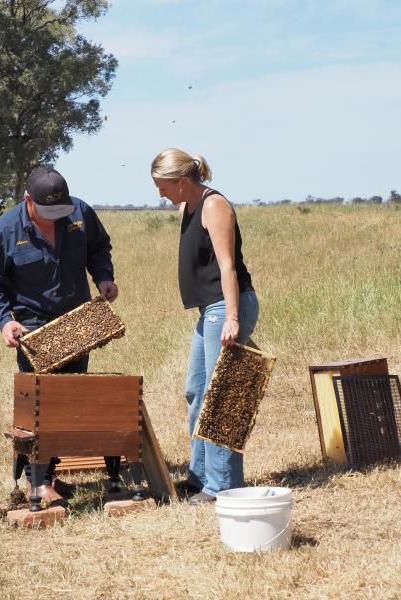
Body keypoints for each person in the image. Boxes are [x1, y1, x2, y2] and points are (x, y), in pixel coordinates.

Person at [0, 166, 120, 503]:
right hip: (34, 326)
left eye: (60, 211)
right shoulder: (6, 230)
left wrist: (103, 278)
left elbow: (99, 248)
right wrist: (4, 321)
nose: (55, 218)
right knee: (38, 406)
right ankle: (38, 482)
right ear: (28, 201)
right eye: (47, 212)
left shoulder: (80, 213)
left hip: (79, 321)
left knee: (68, 402)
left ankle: (49, 473)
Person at [151, 148, 259, 505]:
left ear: (182, 182)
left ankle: (222, 485)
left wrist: (232, 317)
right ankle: (199, 477)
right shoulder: (187, 206)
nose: (160, 194)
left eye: (163, 187)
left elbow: (227, 266)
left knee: (220, 395)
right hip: (208, 311)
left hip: (225, 307)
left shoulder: (214, 206)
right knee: (196, 390)